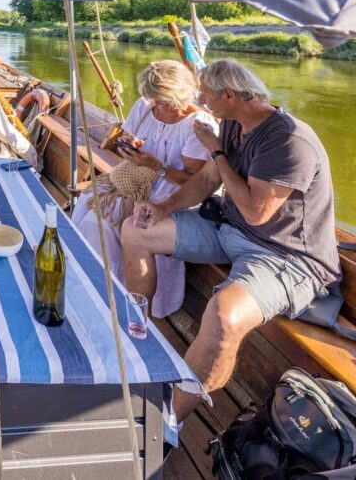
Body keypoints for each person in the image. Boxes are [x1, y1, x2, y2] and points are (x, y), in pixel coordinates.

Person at [120, 59, 340, 432]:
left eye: (204, 94)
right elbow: (208, 180)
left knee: (223, 317)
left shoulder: (288, 141)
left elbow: (256, 211)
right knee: (135, 230)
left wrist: (218, 152)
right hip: (227, 228)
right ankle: (137, 334)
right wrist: (162, 207)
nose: (199, 101)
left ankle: (168, 420)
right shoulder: (232, 122)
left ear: (229, 95)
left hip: (284, 256)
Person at [70, 60, 216, 317]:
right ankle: (89, 283)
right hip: (136, 179)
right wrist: (128, 145)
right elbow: (124, 142)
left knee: (105, 222)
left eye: (164, 100)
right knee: (88, 202)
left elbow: (197, 184)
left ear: (181, 94)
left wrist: (155, 165)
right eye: (154, 99)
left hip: (172, 193)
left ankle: (115, 297)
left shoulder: (198, 126)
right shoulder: (145, 106)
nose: (157, 105)